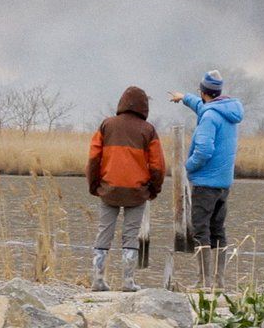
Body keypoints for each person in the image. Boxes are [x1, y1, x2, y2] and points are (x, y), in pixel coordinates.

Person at [167, 70, 244, 289]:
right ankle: (219, 282)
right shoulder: (226, 112)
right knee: (218, 230)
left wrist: (186, 167)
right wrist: (184, 98)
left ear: (204, 92)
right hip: (223, 184)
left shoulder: (210, 116)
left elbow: (203, 150)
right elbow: (202, 107)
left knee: (201, 231)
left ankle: (203, 282)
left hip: (205, 183)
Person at [86, 86, 165, 292]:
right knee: (130, 235)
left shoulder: (106, 125)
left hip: (108, 189)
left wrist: (94, 185)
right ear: (144, 107)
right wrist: (153, 190)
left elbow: (94, 158)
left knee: (104, 232)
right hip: (137, 192)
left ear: (121, 103)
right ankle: (128, 282)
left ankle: (97, 279)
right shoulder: (148, 130)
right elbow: (158, 166)